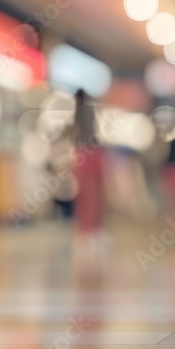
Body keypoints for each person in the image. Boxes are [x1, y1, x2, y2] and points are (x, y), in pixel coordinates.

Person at [71, 89, 107, 249]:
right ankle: (90, 230)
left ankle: (88, 230)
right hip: (91, 154)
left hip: (83, 154)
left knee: (86, 194)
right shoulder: (86, 110)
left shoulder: (78, 111)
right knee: (92, 194)